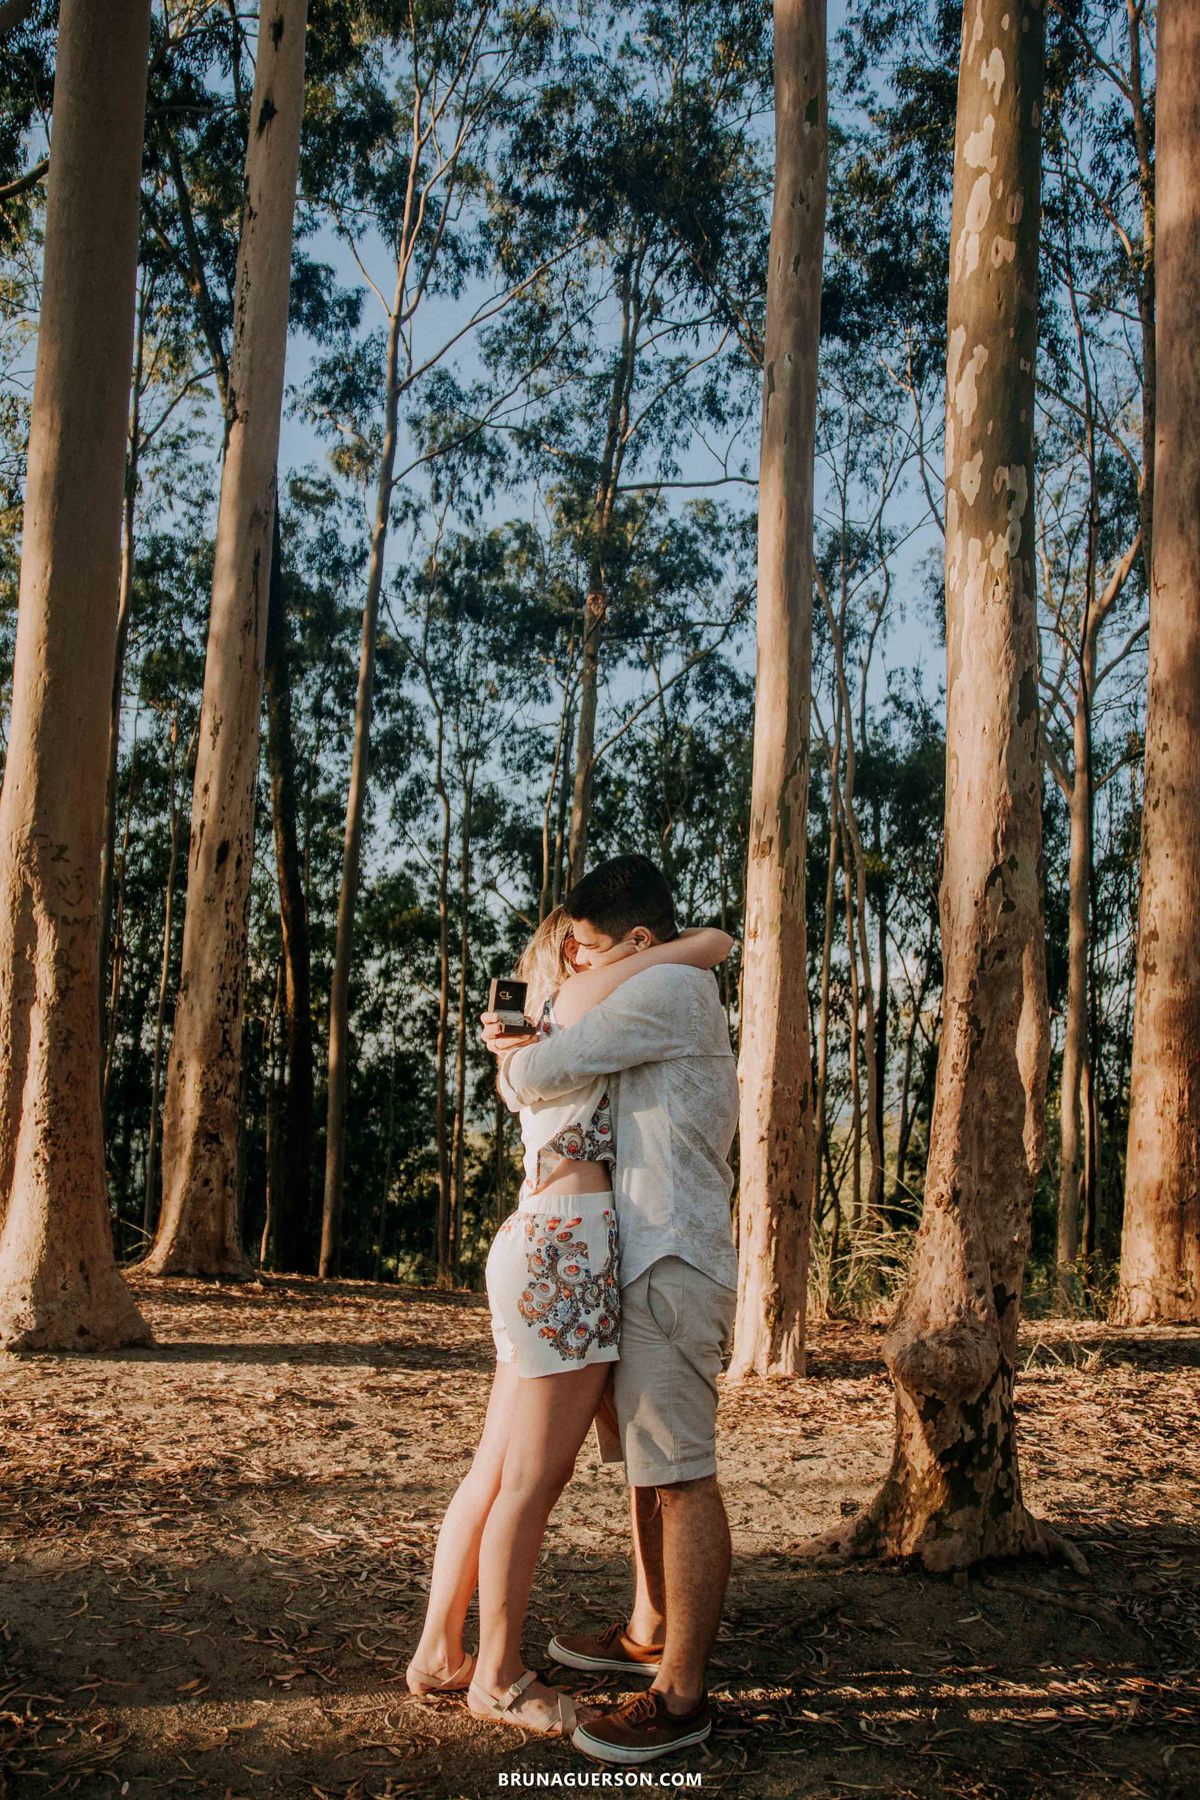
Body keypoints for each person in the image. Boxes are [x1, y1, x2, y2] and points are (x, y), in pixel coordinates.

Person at [406, 903, 732, 1738]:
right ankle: (497, 1676)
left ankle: (442, 1653)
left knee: (493, 1469)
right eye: (581, 947)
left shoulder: (538, 1030)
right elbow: (693, 952)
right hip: (569, 1251)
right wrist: (686, 943)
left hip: (540, 1239)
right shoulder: (575, 1010)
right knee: (531, 1480)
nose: (595, 960)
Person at [482, 853, 741, 1766]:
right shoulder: (668, 979)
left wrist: (514, 1058)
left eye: (588, 949)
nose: (577, 966)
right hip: (637, 1256)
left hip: (669, 1257)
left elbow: (549, 1065)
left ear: (639, 943)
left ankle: (681, 1697)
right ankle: (646, 1632)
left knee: (681, 1475)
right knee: (646, 1467)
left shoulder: (669, 989)